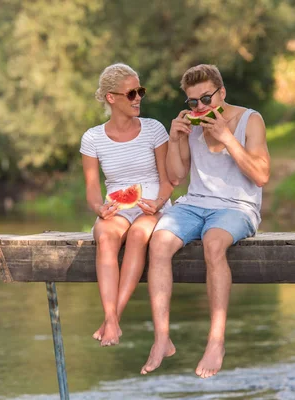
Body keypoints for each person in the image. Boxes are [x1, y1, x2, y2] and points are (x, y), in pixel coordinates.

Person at [140, 64, 270, 377]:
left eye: (206, 99)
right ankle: (162, 338)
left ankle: (216, 341)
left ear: (222, 93)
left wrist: (227, 137)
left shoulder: (250, 120)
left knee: (213, 243)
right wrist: (175, 139)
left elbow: (261, 175)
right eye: (193, 102)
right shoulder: (192, 123)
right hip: (194, 204)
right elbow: (177, 175)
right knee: (158, 242)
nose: (200, 107)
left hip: (238, 206)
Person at [80, 63, 173, 347]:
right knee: (106, 237)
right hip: (116, 208)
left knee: (137, 235)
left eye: (140, 91)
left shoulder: (154, 129)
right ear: (111, 97)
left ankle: (112, 320)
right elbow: (93, 189)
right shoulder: (92, 138)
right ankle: (111, 319)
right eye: (131, 93)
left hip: (153, 205)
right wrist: (99, 209)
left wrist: (158, 202)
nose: (138, 98)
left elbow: (169, 179)